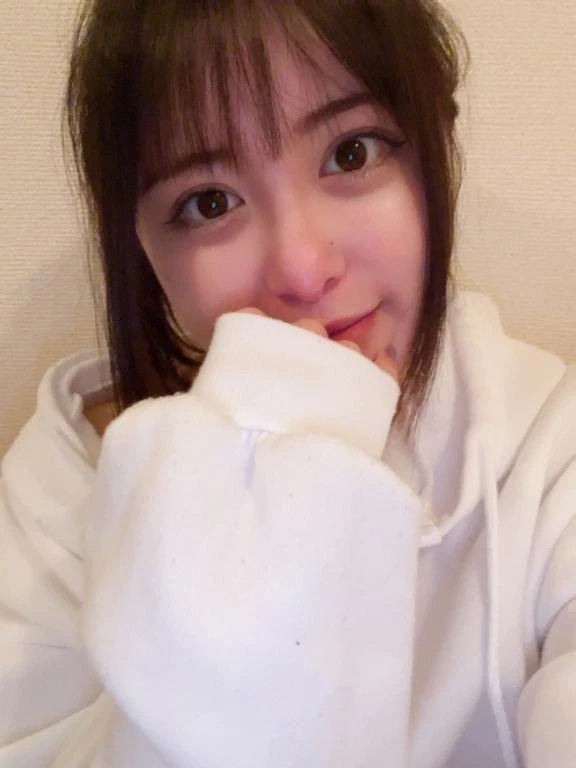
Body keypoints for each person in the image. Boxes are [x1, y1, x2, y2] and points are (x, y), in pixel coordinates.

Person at [1, 0, 574, 766]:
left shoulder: (547, 451)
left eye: (351, 153)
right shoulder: (60, 490)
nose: (303, 270)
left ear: (438, 138)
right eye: (209, 202)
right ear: (142, 246)